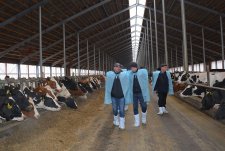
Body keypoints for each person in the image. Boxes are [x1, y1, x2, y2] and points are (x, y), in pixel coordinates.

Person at [104, 63, 131, 129]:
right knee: (115, 109)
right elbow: (107, 83)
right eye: (116, 67)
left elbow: (130, 74)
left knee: (122, 110)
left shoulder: (124, 75)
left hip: (121, 96)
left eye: (119, 67)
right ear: (114, 67)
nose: (118, 68)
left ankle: (122, 124)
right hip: (113, 96)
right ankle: (116, 120)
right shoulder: (110, 75)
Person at [128, 62, 150, 127]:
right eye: (131, 68)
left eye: (134, 67)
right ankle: (137, 121)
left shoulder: (141, 73)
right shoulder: (130, 74)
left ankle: (143, 118)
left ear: (136, 67)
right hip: (134, 93)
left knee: (144, 106)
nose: (132, 69)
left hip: (141, 93)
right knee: (135, 107)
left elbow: (145, 72)